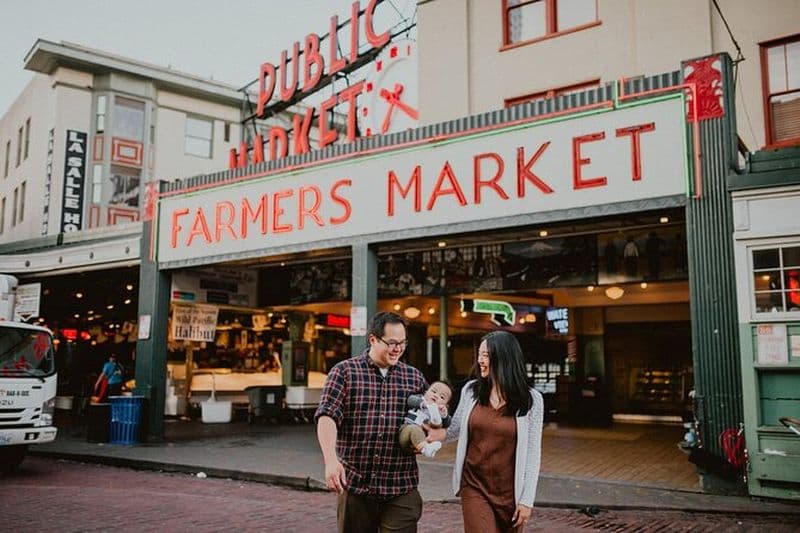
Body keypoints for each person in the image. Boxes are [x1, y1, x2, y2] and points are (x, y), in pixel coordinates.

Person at [315, 311, 427, 532]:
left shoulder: (414, 378)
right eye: (392, 343)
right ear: (373, 339)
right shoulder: (344, 372)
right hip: (356, 486)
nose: (398, 349)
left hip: (401, 485)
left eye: (403, 343)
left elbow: (430, 421)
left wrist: (427, 436)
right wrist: (330, 460)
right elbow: (327, 416)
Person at [427, 331, 544, 533]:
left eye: (486, 355)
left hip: (510, 492)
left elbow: (533, 454)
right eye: (479, 354)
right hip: (474, 485)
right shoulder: (471, 391)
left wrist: (527, 500)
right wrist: (433, 435)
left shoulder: (532, 400)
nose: (480, 360)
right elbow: (455, 428)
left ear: (504, 358)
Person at [398, 381, 452, 458]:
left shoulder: (440, 410)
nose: (436, 396)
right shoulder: (420, 399)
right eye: (434, 391)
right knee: (414, 429)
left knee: (438, 424)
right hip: (407, 431)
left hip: (423, 437)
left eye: (442, 397)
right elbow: (410, 400)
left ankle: (435, 421)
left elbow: (448, 424)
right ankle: (426, 449)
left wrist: (444, 415)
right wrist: (423, 404)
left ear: (446, 405)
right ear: (426, 392)